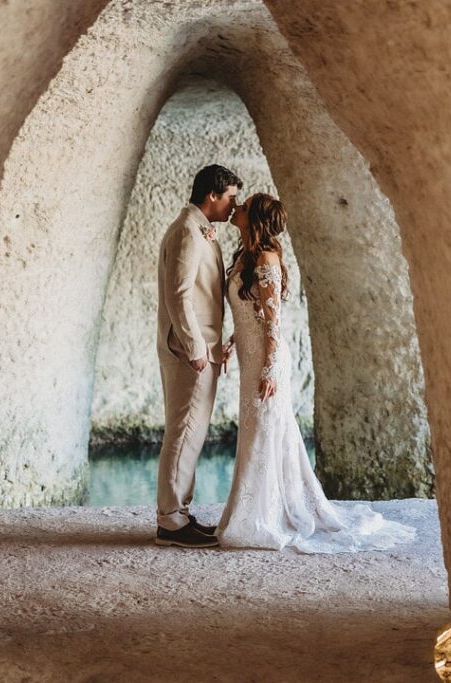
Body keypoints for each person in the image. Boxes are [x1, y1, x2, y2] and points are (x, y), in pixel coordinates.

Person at [217, 193, 416, 553]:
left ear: (256, 219)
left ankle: (261, 518)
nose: (238, 209)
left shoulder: (265, 259)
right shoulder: (245, 256)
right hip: (250, 355)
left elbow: (274, 321)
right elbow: (252, 315)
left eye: (244, 207)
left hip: (267, 359)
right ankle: (257, 511)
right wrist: (232, 341)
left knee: (263, 429)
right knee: (261, 430)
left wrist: (269, 368)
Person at [154, 164, 241, 548]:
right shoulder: (188, 232)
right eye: (231, 197)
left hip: (203, 349)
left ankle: (179, 512)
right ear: (213, 194)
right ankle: (170, 522)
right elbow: (179, 295)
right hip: (192, 351)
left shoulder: (197, 228)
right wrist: (195, 349)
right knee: (185, 430)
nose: (233, 205)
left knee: (192, 431)